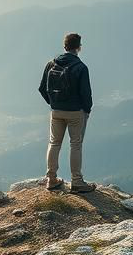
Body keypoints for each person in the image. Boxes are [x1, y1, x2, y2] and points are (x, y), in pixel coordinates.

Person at [38, 32, 96, 193]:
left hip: (56, 111)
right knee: (75, 145)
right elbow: (86, 94)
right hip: (75, 112)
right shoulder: (81, 67)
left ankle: (51, 179)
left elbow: (42, 88)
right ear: (79, 48)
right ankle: (77, 181)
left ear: (64, 46)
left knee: (54, 143)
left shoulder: (51, 64)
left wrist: (54, 103)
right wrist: (87, 110)